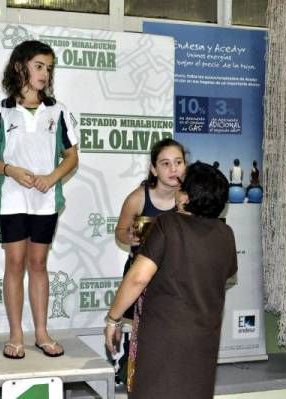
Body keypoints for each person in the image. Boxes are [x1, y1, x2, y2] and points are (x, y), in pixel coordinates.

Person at [0, 40, 78, 359]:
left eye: (49, 68)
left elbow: (71, 157)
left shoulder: (58, 110)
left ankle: (42, 333)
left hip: (45, 202)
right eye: (39, 66)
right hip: (11, 201)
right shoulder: (2, 110)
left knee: (38, 264)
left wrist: (52, 177)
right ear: (20, 67)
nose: (45, 74)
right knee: (15, 264)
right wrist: (10, 170)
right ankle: (16, 335)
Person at [105, 162, 237, 399]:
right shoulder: (226, 235)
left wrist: (113, 319)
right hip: (203, 341)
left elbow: (138, 278)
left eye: (181, 186)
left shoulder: (168, 225)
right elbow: (224, 274)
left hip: (162, 340)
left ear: (185, 197)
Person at [113, 138, 186, 388]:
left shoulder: (189, 200)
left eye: (178, 162)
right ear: (154, 169)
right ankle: (129, 373)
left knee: (174, 330)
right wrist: (130, 236)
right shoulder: (137, 198)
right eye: (165, 164)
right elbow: (120, 231)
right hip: (140, 274)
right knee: (136, 330)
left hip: (176, 277)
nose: (173, 169)